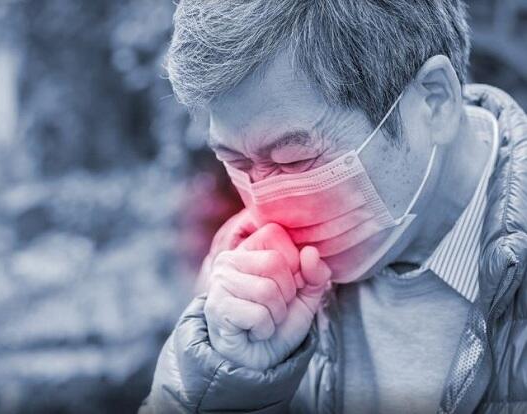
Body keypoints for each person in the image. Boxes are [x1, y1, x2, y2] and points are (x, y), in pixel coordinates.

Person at [140, 1, 527, 413]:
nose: (266, 211)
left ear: (434, 101)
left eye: (294, 160)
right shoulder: (243, 277)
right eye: (237, 163)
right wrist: (228, 381)